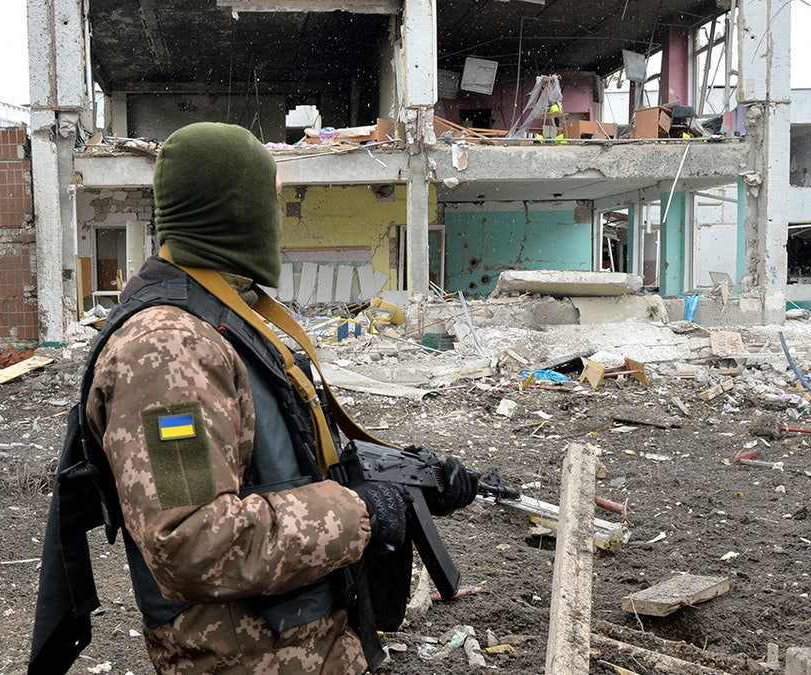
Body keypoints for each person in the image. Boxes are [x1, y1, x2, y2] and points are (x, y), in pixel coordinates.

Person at [31, 122, 477, 674]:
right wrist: (360, 511)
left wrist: (402, 476)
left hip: (299, 647)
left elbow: (274, 459)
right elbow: (192, 540)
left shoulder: (220, 317)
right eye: (271, 197)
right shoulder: (169, 350)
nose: (280, 211)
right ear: (233, 207)